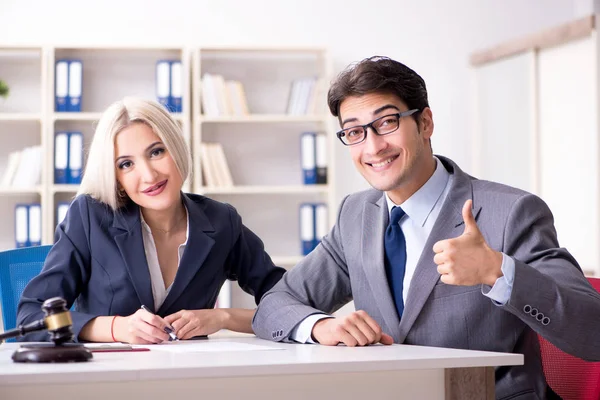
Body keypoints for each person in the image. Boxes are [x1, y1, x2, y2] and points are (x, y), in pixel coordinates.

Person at [252, 56, 600, 399]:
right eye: (355, 132)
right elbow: (276, 303)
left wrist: (498, 271)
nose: (373, 147)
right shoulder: (355, 215)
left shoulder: (510, 212)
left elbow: (592, 332)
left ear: (425, 123)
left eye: (387, 122)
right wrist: (320, 326)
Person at [17, 97, 285, 344]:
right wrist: (115, 328)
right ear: (116, 177)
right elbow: (31, 316)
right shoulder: (89, 216)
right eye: (126, 164)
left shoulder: (221, 221)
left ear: (176, 148)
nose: (148, 174)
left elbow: (288, 301)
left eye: (156, 152)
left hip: (189, 379)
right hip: (107, 381)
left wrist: (222, 318)